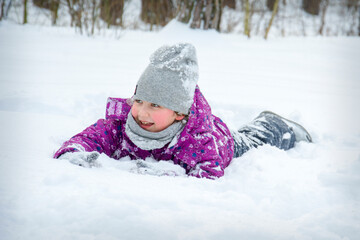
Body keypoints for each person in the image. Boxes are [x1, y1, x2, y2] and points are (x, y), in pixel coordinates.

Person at [54, 43, 312, 179]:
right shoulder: (122, 125)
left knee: (252, 139)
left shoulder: (198, 140)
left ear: (179, 112)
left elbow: (208, 172)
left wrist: (163, 173)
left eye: (155, 105)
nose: (142, 112)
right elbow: (90, 138)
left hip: (224, 140)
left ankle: (274, 124)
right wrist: (73, 153)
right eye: (140, 100)